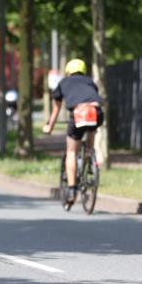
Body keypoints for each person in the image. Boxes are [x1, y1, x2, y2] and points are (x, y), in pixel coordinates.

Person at [42, 58, 104, 204]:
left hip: (79, 114)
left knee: (71, 152)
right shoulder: (89, 81)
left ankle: (72, 190)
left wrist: (49, 127)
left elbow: (56, 109)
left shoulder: (63, 83)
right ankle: (90, 156)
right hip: (96, 111)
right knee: (91, 129)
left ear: (68, 71)